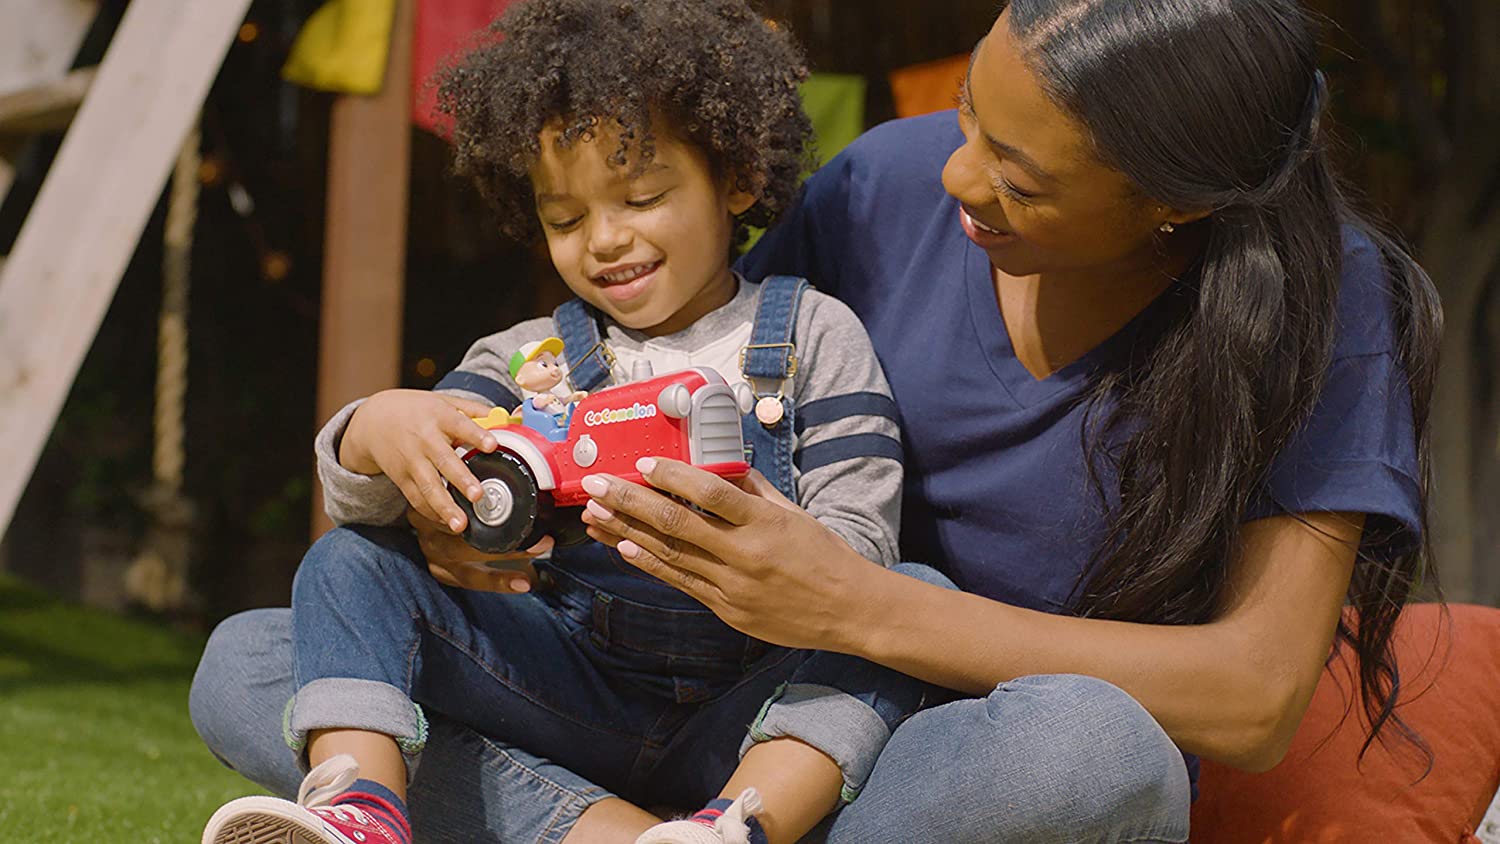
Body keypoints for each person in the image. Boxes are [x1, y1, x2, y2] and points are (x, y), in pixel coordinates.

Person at [191, 0, 1443, 841]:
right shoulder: (885, 186)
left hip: (888, 745)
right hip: (638, 694)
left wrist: (862, 606)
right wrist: (442, 482)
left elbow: (1256, 697)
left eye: (1020, 174)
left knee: (1088, 749)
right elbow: (675, 339)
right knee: (255, 660)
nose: (956, 176)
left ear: (1171, 204)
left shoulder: (1329, 306)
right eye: (966, 114)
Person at [195, 2, 912, 843]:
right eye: (565, 218)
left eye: (641, 196)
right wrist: (374, 429)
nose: (604, 240)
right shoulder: (526, 359)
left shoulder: (816, 336)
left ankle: (734, 829)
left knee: (908, 607)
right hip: (563, 689)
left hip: (748, 709)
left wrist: (763, 533)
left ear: (737, 176)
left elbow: (862, 548)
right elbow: (408, 498)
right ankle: (360, 808)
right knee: (338, 570)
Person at [509, 338, 583, 441]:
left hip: (564, 420)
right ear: (521, 379)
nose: (555, 368)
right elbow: (538, 404)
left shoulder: (551, 395)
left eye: (555, 363)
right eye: (544, 364)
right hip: (551, 424)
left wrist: (572, 398)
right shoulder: (537, 399)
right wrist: (546, 401)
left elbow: (561, 401)